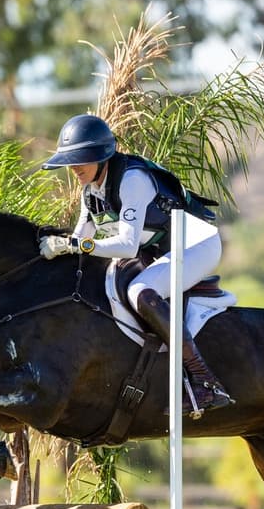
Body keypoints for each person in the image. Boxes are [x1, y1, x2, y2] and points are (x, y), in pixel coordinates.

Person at [38, 114, 233, 414]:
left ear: (102, 156)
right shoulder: (90, 192)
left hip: (198, 245)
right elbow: (81, 239)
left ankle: (206, 381)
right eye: (71, 160)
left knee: (139, 290)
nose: (74, 167)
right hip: (164, 250)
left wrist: (74, 245)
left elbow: (126, 246)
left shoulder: (132, 180)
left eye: (81, 159)